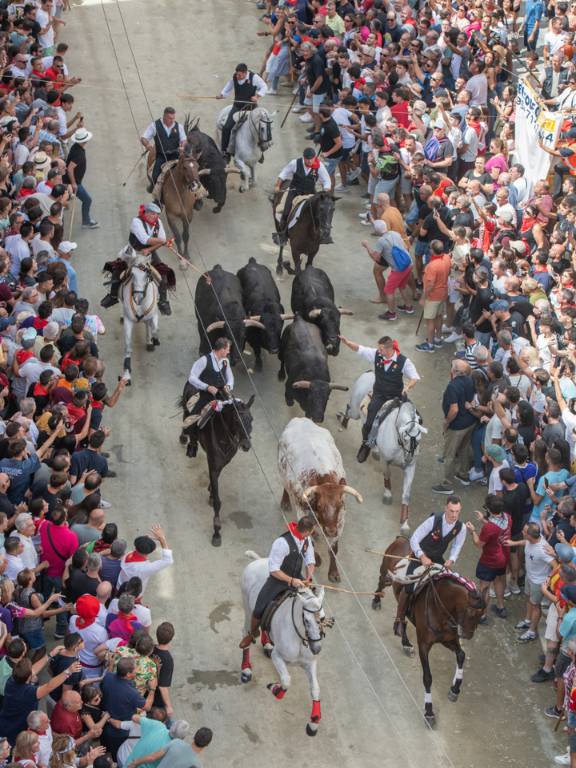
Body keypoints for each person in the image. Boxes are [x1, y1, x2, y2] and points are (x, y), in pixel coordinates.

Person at [339, 334, 420, 462]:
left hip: (396, 396)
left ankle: (410, 445)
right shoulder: (377, 355)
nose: (379, 351)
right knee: (368, 423)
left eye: (381, 349)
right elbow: (360, 349)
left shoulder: (404, 361)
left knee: (416, 419)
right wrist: (347, 342)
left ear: (389, 349)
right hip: (379, 395)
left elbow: (414, 377)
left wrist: (408, 387)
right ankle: (365, 444)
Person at [239, 516, 316, 648]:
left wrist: (309, 576)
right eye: (312, 531)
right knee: (259, 607)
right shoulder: (282, 543)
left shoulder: (306, 540)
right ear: (307, 531)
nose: (312, 534)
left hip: (297, 577)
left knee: (312, 601)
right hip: (278, 580)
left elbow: (310, 560)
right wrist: (291, 580)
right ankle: (252, 634)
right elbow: (274, 570)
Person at [394, 495, 467, 635]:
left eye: (457, 511)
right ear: (446, 508)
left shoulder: (461, 527)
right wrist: (421, 556)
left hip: (437, 557)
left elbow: (457, 546)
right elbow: (415, 538)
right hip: (419, 555)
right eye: (451, 511)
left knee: (447, 584)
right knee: (409, 586)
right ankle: (399, 618)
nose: (454, 515)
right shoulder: (433, 520)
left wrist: (451, 559)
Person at [101, 202, 175, 316]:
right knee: (117, 268)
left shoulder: (158, 222)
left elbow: (162, 239)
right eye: (154, 214)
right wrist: (162, 241)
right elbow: (145, 240)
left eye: (157, 214)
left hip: (149, 252)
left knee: (163, 273)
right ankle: (113, 296)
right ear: (147, 213)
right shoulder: (136, 222)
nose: (156, 217)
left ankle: (163, 302)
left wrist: (151, 249)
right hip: (133, 251)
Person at [185, 338, 234, 458]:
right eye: (227, 349)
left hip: (222, 394)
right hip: (206, 395)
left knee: (235, 413)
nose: (228, 351)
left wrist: (228, 386)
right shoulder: (204, 360)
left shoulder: (225, 361)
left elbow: (230, 378)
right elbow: (192, 377)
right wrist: (207, 387)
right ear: (222, 349)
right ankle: (193, 443)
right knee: (194, 417)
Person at [273, 148, 331, 245]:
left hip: (310, 194)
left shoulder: (319, 166)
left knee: (322, 213)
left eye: (311, 159)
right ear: (303, 158)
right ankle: (283, 234)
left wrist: (325, 191)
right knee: (286, 212)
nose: (309, 161)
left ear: (314, 158)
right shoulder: (295, 163)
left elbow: (327, 181)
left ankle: (323, 234)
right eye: (307, 159)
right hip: (295, 191)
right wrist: (277, 185)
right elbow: (284, 173)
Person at [216, 63, 267, 157]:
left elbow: (264, 87)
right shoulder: (235, 77)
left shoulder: (254, 77)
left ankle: (260, 152)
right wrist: (222, 95)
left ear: (245, 73)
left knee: (261, 128)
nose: (237, 76)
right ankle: (224, 151)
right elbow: (229, 86)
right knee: (227, 127)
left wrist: (257, 96)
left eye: (239, 75)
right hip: (237, 107)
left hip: (251, 108)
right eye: (237, 74)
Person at [141, 107, 187, 188]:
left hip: (175, 155)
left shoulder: (179, 126)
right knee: (155, 176)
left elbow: (184, 139)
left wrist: (182, 146)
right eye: (170, 118)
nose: (172, 120)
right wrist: (147, 145)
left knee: (189, 173)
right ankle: (156, 196)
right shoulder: (155, 125)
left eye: (173, 118)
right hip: (161, 156)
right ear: (164, 116)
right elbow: (143, 138)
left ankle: (196, 196)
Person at [64, 127, 98, 229]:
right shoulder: (79, 153)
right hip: (74, 181)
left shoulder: (75, 146)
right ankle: (86, 222)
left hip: (73, 180)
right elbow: (70, 169)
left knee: (87, 200)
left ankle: (86, 221)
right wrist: (73, 183)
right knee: (87, 200)